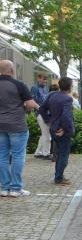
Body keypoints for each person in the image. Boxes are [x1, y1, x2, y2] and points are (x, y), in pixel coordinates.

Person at [0, 60, 37, 197]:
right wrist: (25, 110)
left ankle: (4, 188)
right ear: (12, 70)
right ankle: (16, 188)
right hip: (17, 125)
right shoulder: (19, 84)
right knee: (17, 156)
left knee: (2, 156)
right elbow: (31, 104)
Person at [39, 78, 75, 185]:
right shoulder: (67, 99)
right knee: (63, 156)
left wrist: (49, 121)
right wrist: (64, 129)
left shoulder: (52, 95)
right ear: (70, 87)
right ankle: (59, 178)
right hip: (62, 131)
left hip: (53, 128)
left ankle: (59, 176)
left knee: (58, 154)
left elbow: (41, 109)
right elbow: (66, 116)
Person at [31, 73, 51, 159]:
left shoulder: (45, 88)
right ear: (38, 78)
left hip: (46, 113)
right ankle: (46, 154)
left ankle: (38, 152)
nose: (45, 81)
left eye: (46, 79)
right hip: (41, 113)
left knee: (44, 133)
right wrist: (40, 109)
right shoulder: (34, 88)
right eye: (43, 79)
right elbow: (32, 101)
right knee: (47, 134)